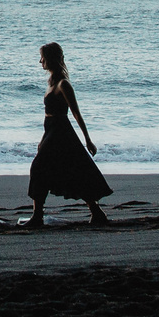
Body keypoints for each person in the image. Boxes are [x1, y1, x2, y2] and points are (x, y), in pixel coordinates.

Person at [25, 42, 111, 228]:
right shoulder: (52, 83)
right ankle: (97, 212)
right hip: (51, 131)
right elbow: (48, 118)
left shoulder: (64, 84)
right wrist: (42, 139)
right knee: (72, 171)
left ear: (51, 59)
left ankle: (37, 217)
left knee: (40, 168)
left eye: (43, 58)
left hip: (61, 133)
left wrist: (88, 139)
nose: (40, 62)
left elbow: (76, 113)